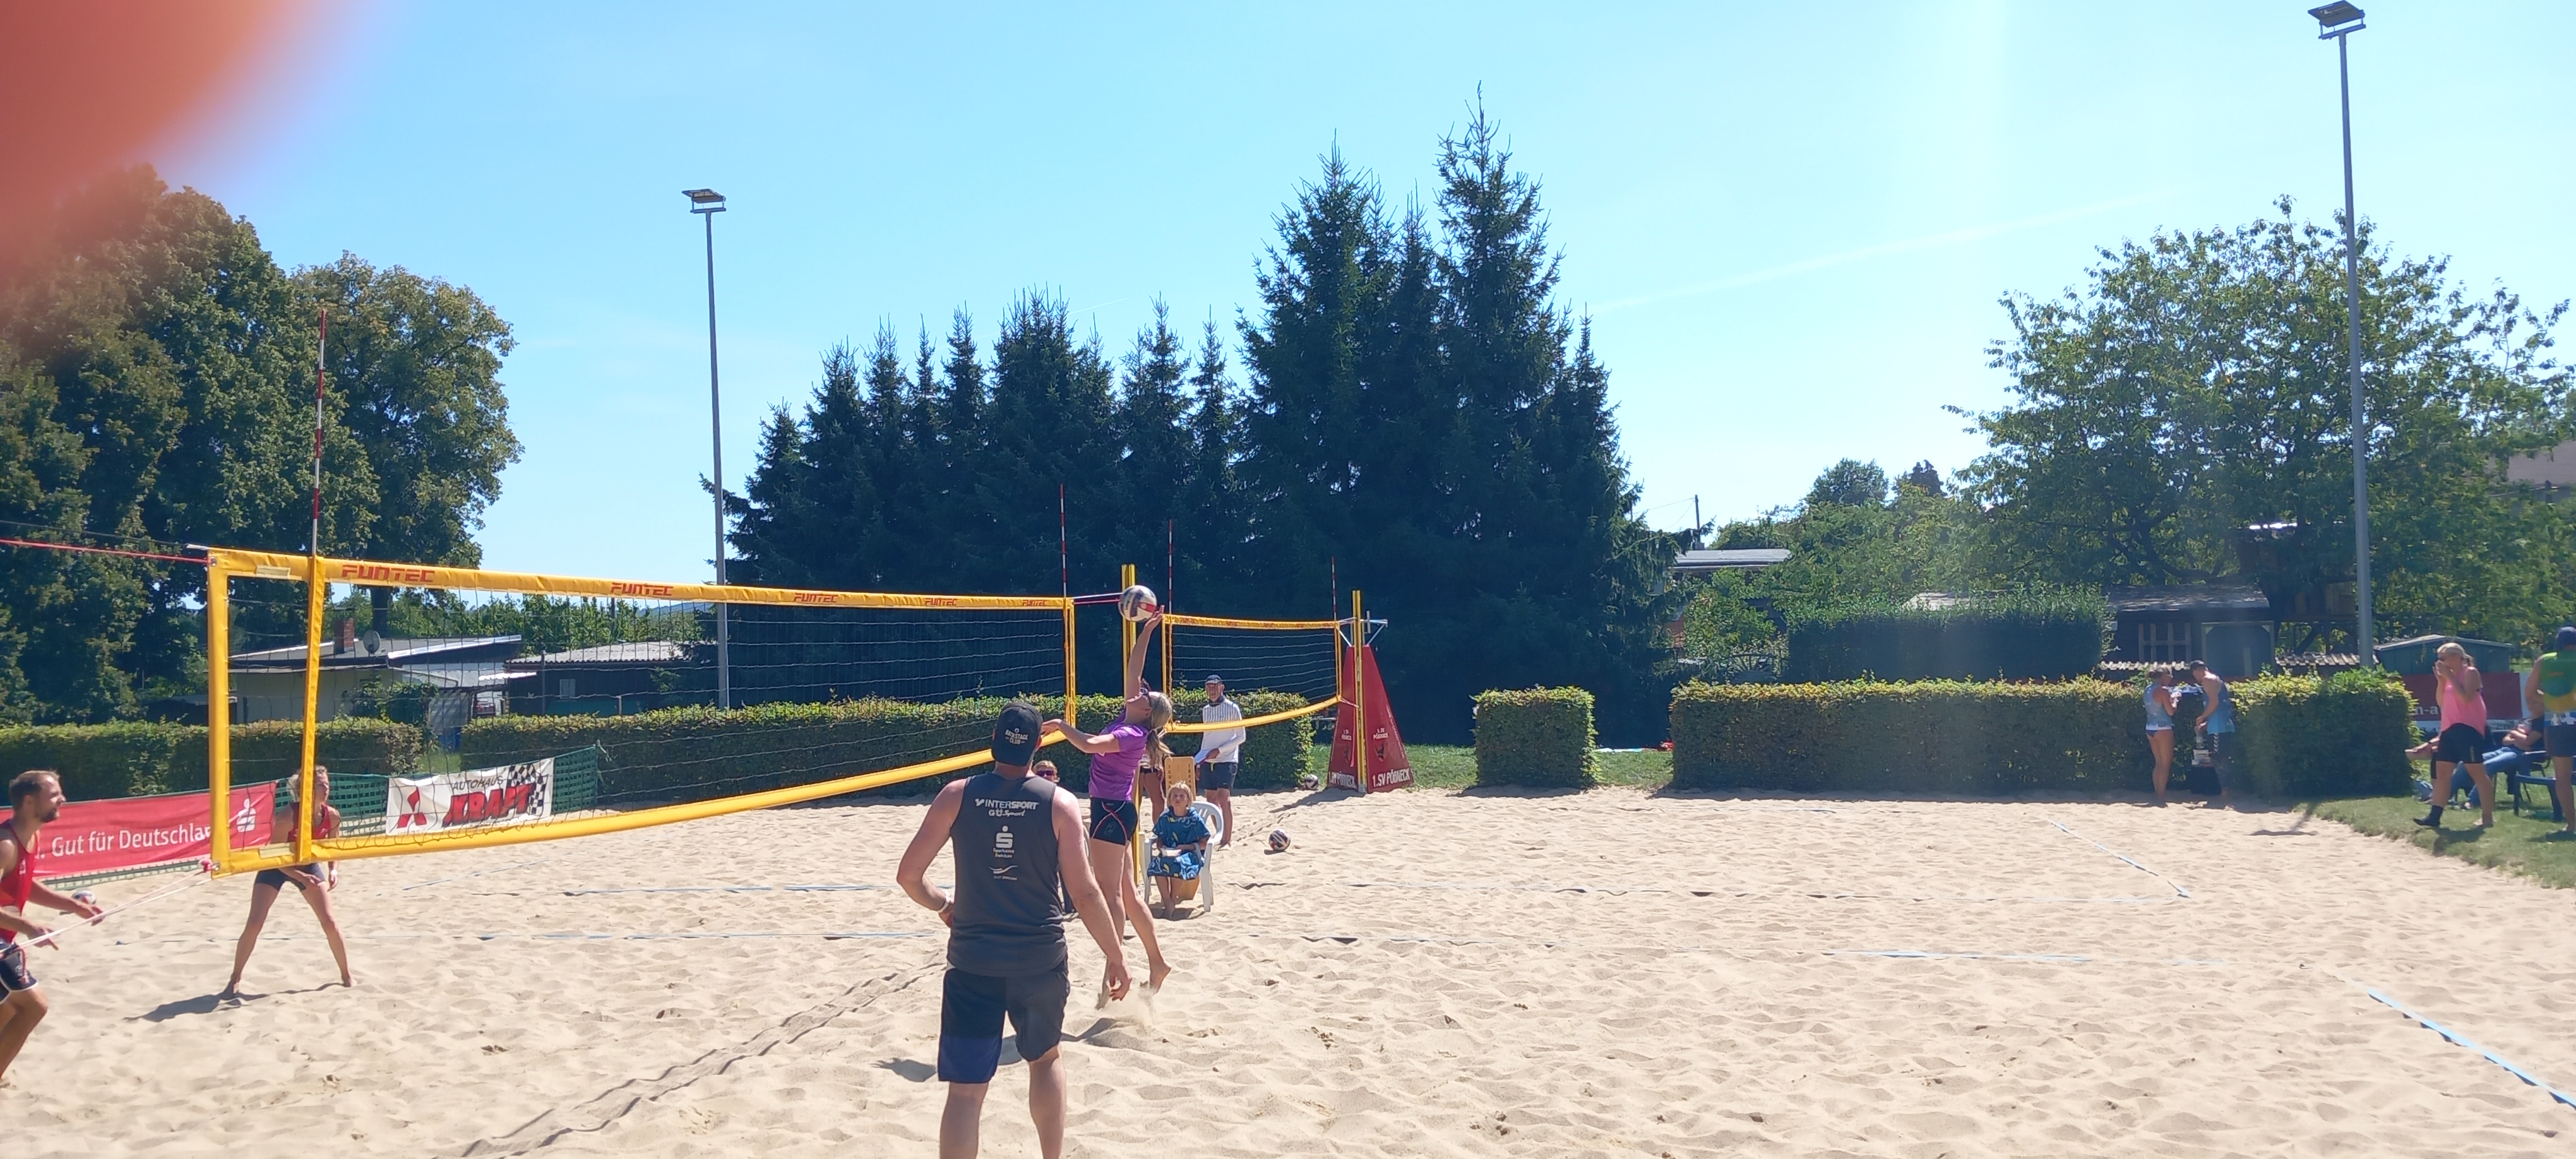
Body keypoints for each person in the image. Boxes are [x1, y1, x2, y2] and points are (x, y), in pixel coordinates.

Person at [896, 701, 1130, 1159]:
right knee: (1045, 1061)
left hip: (973, 959)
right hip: (1038, 959)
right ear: (1038, 746)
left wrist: (944, 906)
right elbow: (1085, 894)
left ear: (994, 741)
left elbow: (909, 876)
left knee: (965, 1092)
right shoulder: (1058, 803)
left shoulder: (956, 795)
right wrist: (1116, 955)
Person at [1044, 611, 1175, 997]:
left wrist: (1061, 725)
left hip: (1111, 813)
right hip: (1118, 812)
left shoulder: (1132, 733)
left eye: (1144, 695)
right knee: (1127, 894)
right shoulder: (1130, 716)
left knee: (1110, 896)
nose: (1138, 691)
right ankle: (1157, 962)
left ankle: (1112, 972)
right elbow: (1134, 669)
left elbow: (1088, 745)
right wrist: (1147, 630)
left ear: (1147, 710)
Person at [0, 770, 106, 1086]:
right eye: (54, 795)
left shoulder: (31, 836)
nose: (63, 799)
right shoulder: (5, 844)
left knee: (10, 1009)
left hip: (5, 935)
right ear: (29, 801)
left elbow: (24, 884)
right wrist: (27, 925)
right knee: (34, 1006)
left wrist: (73, 906)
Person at [225, 766, 353, 996]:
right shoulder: (287, 816)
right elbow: (275, 857)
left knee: (330, 921)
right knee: (255, 923)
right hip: (276, 866)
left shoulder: (332, 816)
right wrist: (300, 876)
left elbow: (334, 849)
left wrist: (333, 871)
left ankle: (347, 976)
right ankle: (235, 978)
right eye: (320, 785)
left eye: (327, 784)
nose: (326, 789)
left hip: (307, 865)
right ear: (306, 789)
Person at [2421, 642, 2496, 829]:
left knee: (2477, 773)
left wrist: (2450, 677)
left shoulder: (2470, 672)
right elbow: (2441, 702)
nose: (2441, 662)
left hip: (2468, 728)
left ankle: (2487, 817)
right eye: (2439, 659)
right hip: (2449, 728)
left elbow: (2466, 698)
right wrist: (2441, 681)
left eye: (2443, 658)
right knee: (2442, 773)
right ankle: (2434, 817)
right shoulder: (2448, 677)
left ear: (2456, 657)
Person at [2528, 626, 2576, 834]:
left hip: (2558, 722)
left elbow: (2530, 693)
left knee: (2562, 777)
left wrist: (2552, 700)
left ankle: (2572, 824)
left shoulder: (2544, 661)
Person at [1192, 675, 1246, 846]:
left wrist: (1220, 750)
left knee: (1224, 798)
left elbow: (1241, 737)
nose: (1212, 690)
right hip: (1209, 759)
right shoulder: (1206, 710)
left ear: (1222, 687)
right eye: (1208, 687)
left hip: (1227, 758)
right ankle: (1220, 834)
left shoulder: (1232, 708)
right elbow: (1207, 739)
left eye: (1215, 686)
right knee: (1211, 800)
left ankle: (1227, 841)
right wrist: (1199, 762)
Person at [1147, 782, 1212, 915]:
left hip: (1191, 853)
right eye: (1175, 796)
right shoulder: (1165, 818)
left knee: (1178, 863)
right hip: (1169, 853)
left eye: (1182, 796)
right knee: (1158, 864)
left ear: (1188, 800)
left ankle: (1172, 900)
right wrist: (1161, 847)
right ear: (1170, 800)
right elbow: (1159, 838)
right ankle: (1168, 902)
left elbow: (1205, 843)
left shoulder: (1194, 819)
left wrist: (1185, 847)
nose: (1178, 799)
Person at [2187, 661, 2241, 809]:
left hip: (2219, 726)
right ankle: (2226, 791)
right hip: (2219, 724)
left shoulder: (2208, 680)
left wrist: (2202, 717)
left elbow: (2214, 703)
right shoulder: (2216, 679)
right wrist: (2207, 723)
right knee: (2220, 757)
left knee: (2218, 758)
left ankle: (2225, 792)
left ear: (2196, 671)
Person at [2143, 668, 2179, 805]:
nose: (2171, 678)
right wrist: (2175, 699)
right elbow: (2171, 711)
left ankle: (2157, 793)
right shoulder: (2163, 690)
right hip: (2163, 727)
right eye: (2170, 676)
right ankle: (2161, 796)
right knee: (2165, 763)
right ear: (2164, 676)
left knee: (2158, 762)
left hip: (2150, 727)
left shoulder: (2148, 689)